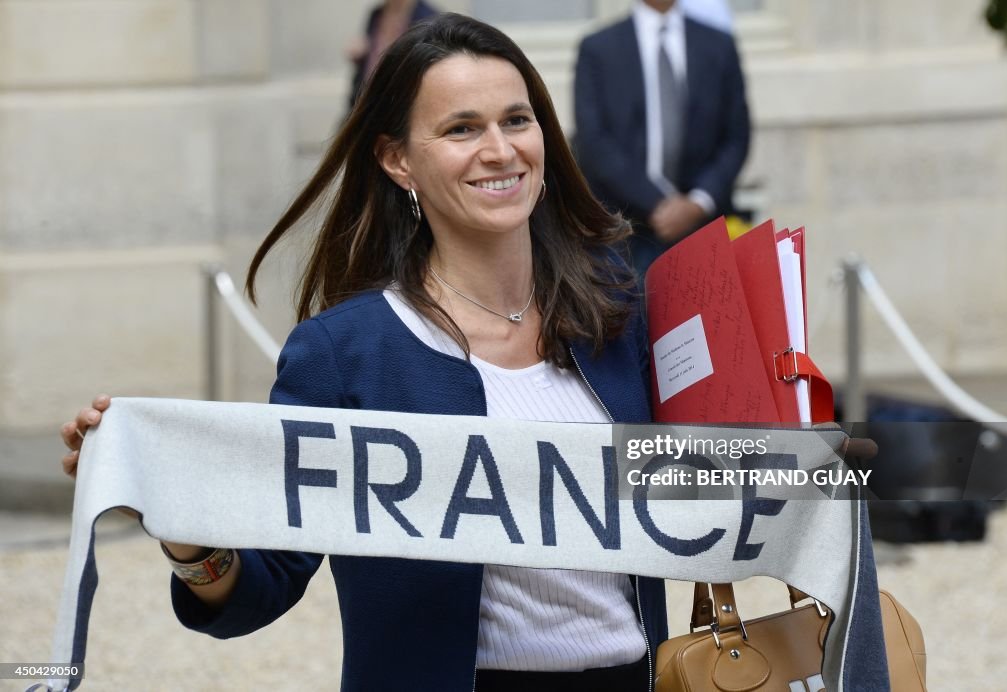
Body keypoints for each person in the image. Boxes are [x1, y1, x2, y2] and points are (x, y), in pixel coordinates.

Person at [61, 13, 888, 692]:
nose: (500, 150)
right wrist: (183, 534)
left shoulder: (618, 317)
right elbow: (260, 588)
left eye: (516, 120)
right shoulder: (343, 355)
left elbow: (707, 488)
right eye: (461, 129)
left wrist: (815, 457)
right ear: (397, 160)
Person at [574, 0, 750, 281]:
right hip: (624, 231)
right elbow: (594, 142)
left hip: (702, 226)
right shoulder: (599, 48)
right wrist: (660, 204)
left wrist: (696, 204)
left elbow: (736, 137)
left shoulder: (719, 45)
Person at [346, 0, 438, 109]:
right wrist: (361, 55)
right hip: (367, 105)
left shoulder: (430, 18)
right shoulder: (376, 14)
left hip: (401, 109)